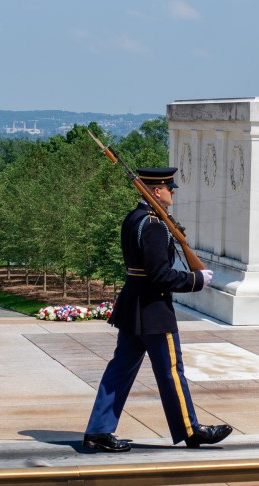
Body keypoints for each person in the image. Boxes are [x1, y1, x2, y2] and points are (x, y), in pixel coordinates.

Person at [83, 167, 232, 452]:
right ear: (155, 191)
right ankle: (191, 430)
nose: (172, 191)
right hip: (153, 310)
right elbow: (159, 275)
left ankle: (98, 431)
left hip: (133, 306)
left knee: (120, 369)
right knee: (171, 372)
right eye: (168, 187)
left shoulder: (134, 219)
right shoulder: (153, 225)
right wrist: (195, 280)